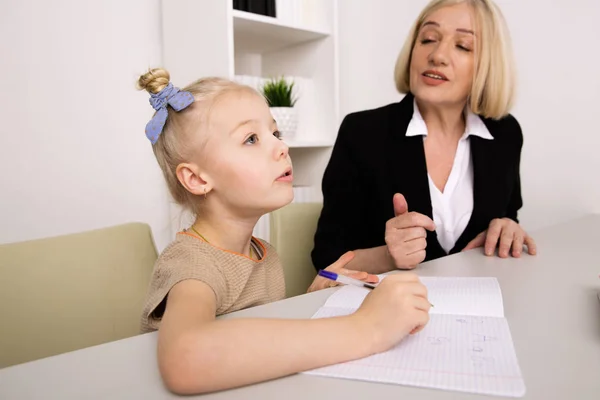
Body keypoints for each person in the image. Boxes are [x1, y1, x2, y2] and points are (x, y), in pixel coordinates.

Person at [136, 68, 431, 395]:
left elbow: (252, 340)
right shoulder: (192, 265)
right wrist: (367, 327)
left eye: (275, 134)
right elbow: (185, 359)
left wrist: (312, 302)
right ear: (197, 179)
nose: (281, 148)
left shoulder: (262, 253)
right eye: (251, 139)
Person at [310, 0, 537, 284]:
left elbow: (508, 215)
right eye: (428, 39)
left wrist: (506, 227)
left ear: (488, 65)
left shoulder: (505, 134)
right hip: (386, 312)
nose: (438, 55)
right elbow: (326, 261)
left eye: (463, 46)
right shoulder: (362, 132)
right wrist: (389, 256)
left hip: (476, 310)